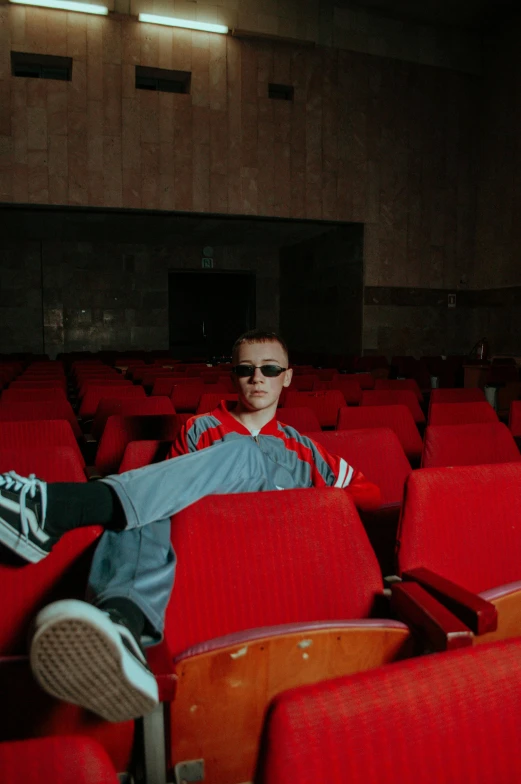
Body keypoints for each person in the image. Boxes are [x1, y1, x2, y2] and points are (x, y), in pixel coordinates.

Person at [0, 330, 381, 724]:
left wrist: (301, 500)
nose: (257, 378)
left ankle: (58, 509)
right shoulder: (201, 428)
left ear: (286, 376)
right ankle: (122, 625)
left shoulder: (303, 447)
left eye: (270, 369)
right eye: (246, 369)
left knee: (242, 456)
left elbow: (369, 493)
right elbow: (171, 501)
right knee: (158, 503)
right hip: (212, 551)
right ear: (233, 376)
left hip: (285, 556)